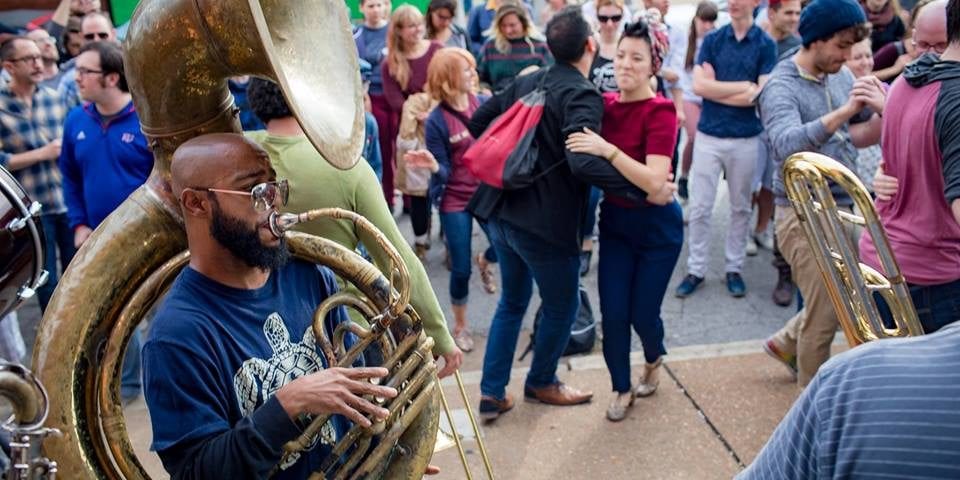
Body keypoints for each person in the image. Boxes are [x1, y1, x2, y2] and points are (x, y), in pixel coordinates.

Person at [142, 133, 400, 478]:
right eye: (255, 191)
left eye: (274, 187)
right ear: (196, 204)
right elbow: (197, 471)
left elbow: (354, 390)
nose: (275, 202)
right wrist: (289, 403)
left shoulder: (310, 275)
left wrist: (384, 448)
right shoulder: (177, 334)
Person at [467, 6, 670, 420]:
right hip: (542, 224)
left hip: (499, 213)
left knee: (512, 301)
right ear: (591, 46)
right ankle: (542, 381)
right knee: (561, 306)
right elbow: (581, 162)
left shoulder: (530, 78)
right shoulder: (581, 93)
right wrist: (640, 189)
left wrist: (529, 149)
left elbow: (479, 121)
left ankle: (492, 392)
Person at [243, 78, 463, 379]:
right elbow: (396, 260)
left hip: (256, 333)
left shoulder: (234, 158)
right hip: (342, 331)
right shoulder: (347, 167)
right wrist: (439, 335)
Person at [759, 0, 882, 387]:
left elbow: (861, 124)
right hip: (801, 212)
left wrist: (886, 106)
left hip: (844, 205)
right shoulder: (781, 85)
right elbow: (785, 144)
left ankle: (786, 341)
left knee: (858, 293)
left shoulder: (840, 73)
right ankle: (812, 412)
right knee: (828, 312)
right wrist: (844, 112)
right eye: (841, 47)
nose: (848, 58)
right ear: (816, 39)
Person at [565, 18, 683, 422]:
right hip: (614, 223)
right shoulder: (603, 105)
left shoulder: (662, 111)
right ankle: (621, 387)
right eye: (621, 55)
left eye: (638, 57)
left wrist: (607, 151)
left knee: (643, 315)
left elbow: (654, 182)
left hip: (658, 229)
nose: (626, 64)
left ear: (654, 64)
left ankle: (654, 357)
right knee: (614, 315)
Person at [59, 41, 152, 403]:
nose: (76, 77)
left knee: (156, 317)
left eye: (85, 71)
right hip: (98, 240)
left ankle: (159, 389)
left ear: (112, 77)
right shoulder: (75, 120)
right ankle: (127, 387)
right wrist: (78, 223)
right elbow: (69, 176)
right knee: (113, 319)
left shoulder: (145, 120)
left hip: (147, 240)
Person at [859, 0, 959, 334]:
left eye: (937, 45)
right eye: (923, 44)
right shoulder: (949, 96)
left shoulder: (903, 84)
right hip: (933, 275)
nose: (928, 53)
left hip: (884, 257)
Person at [674, 0, 777, 299]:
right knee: (701, 207)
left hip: (745, 138)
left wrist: (721, 89)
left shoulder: (765, 44)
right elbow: (700, 87)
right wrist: (741, 88)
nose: (732, 3)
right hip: (710, 135)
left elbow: (759, 95)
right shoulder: (713, 40)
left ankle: (734, 269)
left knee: (740, 207)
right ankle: (696, 269)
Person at [403, 48, 498, 354]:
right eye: (467, 70)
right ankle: (460, 326)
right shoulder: (437, 121)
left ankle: (486, 260)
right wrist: (432, 166)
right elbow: (443, 171)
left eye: (473, 69)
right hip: (454, 198)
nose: (474, 74)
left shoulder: (482, 103)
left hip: (485, 193)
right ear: (448, 79)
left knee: (508, 247)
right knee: (460, 268)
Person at [0, 37, 73, 313]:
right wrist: (42, 153)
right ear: (9, 66)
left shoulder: (55, 99)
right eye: (28, 59)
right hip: (29, 207)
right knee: (45, 281)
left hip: (64, 198)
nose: (38, 63)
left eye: (38, 57)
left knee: (74, 274)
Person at [382, 6, 443, 212]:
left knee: (443, 174)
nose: (417, 30)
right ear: (399, 30)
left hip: (440, 117)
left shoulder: (437, 49)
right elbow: (394, 99)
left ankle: (447, 228)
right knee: (418, 183)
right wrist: (417, 114)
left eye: (419, 24)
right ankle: (420, 238)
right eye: (411, 26)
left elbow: (446, 83)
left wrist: (433, 113)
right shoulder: (391, 61)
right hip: (412, 125)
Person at [676, 0, 719, 203]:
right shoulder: (686, 40)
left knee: (708, 142)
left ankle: (700, 185)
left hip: (710, 96)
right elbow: (679, 72)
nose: (708, 26)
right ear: (696, 20)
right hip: (689, 95)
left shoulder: (717, 41)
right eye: (704, 20)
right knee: (694, 137)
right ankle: (684, 176)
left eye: (712, 21)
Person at [353, 0, 393, 202]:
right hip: (372, 95)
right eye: (371, 6)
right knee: (380, 148)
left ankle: (411, 200)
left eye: (379, 4)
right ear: (361, 8)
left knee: (400, 148)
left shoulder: (394, 31)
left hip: (395, 95)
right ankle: (384, 198)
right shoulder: (356, 35)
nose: (376, 10)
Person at [477, 3, 553, 93]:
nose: (507, 30)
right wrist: (485, 89)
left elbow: (550, 77)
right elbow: (479, 76)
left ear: (523, 23)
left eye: (512, 25)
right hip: (498, 99)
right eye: (503, 26)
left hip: (530, 101)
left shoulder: (540, 46)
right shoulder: (491, 46)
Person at [873, 0, 948, 80]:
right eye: (924, 45)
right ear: (913, 24)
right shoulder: (896, 49)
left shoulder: (952, 50)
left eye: (941, 45)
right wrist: (894, 69)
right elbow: (863, 75)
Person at [846, 37, 884, 192]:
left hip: (876, 164)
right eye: (857, 58)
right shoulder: (837, 89)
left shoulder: (880, 86)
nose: (865, 62)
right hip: (852, 161)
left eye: (868, 56)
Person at [58, 10, 116, 109]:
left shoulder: (133, 70)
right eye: (89, 36)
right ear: (81, 38)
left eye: (103, 35)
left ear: (113, 34)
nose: (96, 40)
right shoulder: (71, 82)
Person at [589, 0, 628, 93]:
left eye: (616, 18)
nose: (609, 24)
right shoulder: (589, 44)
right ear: (596, 17)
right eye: (603, 18)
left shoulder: (629, 43)